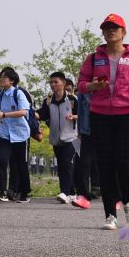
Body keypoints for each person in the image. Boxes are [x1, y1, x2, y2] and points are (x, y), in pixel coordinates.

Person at [77, 13, 129, 231]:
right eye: (106, 28)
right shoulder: (93, 58)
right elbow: (81, 84)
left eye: (115, 28)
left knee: (124, 162)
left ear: (123, 32)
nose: (110, 31)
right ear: (102, 33)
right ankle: (110, 214)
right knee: (105, 164)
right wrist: (92, 86)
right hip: (100, 116)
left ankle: (128, 202)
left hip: (128, 115)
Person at [41, 71, 88, 207]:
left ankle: (65, 193)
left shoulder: (73, 99)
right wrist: (34, 114)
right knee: (62, 165)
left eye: (56, 82)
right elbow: (43, 114)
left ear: (63, 83)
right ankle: (71, 192)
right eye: (51, 82)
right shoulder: (48, 101)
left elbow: (83, 114)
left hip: (71, 137)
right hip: (56, 138)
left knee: (67, 163)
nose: (53, 85)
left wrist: (74, 117)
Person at [0, 67, 33, 202]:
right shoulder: (0, 94)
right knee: (2, 160)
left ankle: (25, 192)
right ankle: (3, 191)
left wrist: (4, 114)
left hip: (20, 134)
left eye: (5, 77)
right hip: (5, 134)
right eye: (1, 76)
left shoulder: (18, 93)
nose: (1, 79)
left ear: (12, 80)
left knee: (21, 164)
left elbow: (23, 112)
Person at [71, 78, 97, 201]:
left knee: (104, 162)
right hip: (86, 130)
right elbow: (80, 112)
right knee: (84, 162)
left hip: (103, 130)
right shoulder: (83, 92)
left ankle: (108, 190)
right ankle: (83, 193)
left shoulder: (104, 89)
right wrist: (80, 131)